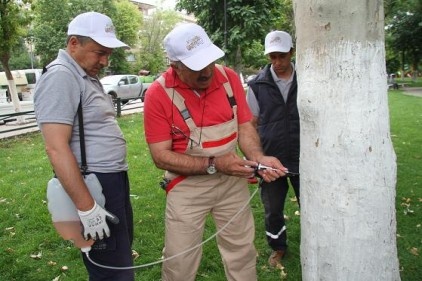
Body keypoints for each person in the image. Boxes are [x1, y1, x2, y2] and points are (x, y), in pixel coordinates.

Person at [143, 23, 288, 281]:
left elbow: (244, 126)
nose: (207, 71)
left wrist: (258, 158)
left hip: (232, 181)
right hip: (186, 187)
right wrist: (215, 163)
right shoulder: (158, 94)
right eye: (196, 65)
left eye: (209, 60)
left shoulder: (228, 77)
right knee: (180, 259)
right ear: (175, 66)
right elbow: (161, 156)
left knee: (241, 251)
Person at [34, 12, 135, 280]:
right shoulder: (61, 76)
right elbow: (56, 148)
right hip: (93, 184)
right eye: (99, 53)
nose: (104, 61)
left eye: (108, 54)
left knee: (118, 257)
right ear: (74, 43)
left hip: (108, 181)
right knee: (112, 272)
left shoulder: (81, 74)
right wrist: (87, 207)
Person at [246, 30, 300, 267]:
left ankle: (316, 240)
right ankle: (278, 247)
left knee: (313, 204)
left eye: (282, 56)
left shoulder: (309, 78)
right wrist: (258, 160)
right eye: (272, 57)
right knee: (273, 209)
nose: (277, 62)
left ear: (292, 52)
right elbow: (251, 124)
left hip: (305, 156)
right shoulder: (257, 85)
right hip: (271, 159)